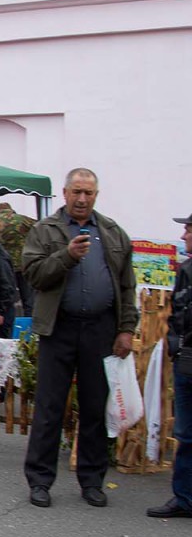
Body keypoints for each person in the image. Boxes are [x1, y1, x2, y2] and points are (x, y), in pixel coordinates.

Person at [21, 168, 137, 508]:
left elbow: (127, 286)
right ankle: (40, 481)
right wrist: (67, 256)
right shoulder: (45, 230)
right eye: (76, 192)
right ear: (65, 193)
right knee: (49, 408)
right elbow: (34, 276)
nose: (82, 199)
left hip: (101, 329)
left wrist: (126, 328)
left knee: (94, 408)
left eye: (88, 193)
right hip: (59, 328)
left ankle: (92, 481)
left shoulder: (113, 233)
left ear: (96, 195)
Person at [146, 212, 192, 518]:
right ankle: (184, 498)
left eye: (189, 230)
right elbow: (177, 312)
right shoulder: (186, 268)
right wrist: (175, 344)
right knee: (186, 434)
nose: (184, 235)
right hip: (187, 360)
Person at [0, 201, 37, 316]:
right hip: (24, 265)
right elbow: (41, 227)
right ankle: (29, 327)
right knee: (28, 299)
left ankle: (10, 326)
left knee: (8, 299)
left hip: (5, 266)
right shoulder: (22, 219)